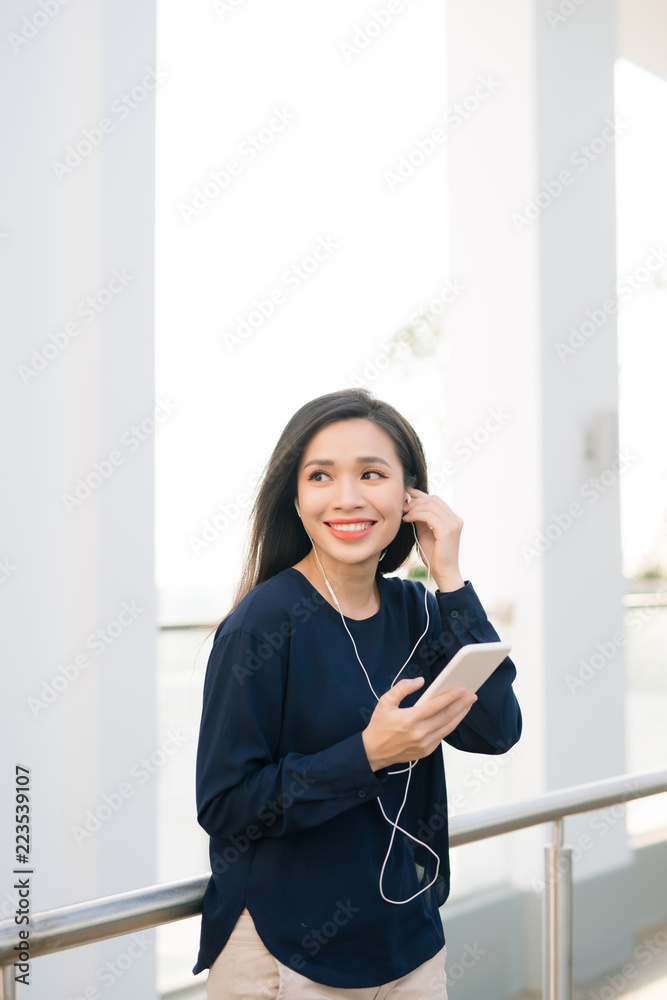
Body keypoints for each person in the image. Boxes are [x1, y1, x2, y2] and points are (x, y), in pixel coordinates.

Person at [192, 387, 522, 998]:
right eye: (321, 475)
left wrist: (449, 576)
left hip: (409, 940)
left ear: (409, 495)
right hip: (285, 951)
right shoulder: (260, 626)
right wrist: (367, 755)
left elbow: (497, 730)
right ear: (295, 496)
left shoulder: (419, 609)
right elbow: (225, 806)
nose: (347, 497)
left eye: (372, 473)